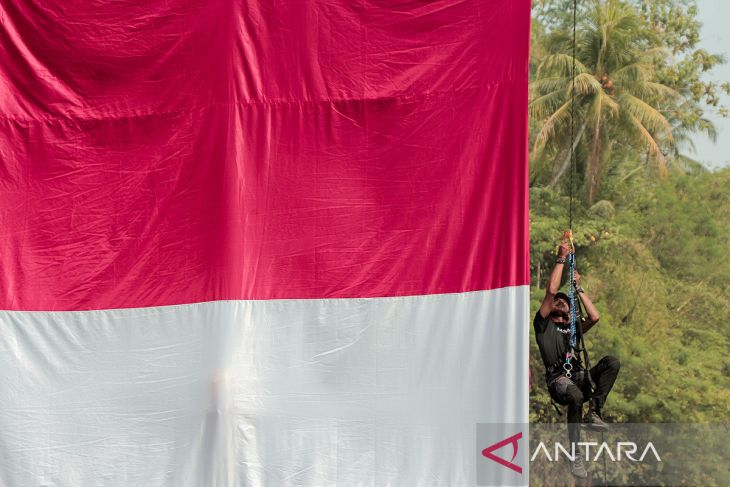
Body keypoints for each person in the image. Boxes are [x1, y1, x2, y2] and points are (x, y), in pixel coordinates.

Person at [534, 235, 620, 479]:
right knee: (573, 394)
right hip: (559, 381)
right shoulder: (543, 325)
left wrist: (578, 288)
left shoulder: (573, 329)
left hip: (580, 378)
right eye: (557, 302)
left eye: (565, 301)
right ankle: (575, 454)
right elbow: (551, 290)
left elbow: (594, 316)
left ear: (570, 311)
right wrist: (562, 258)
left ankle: (593, 411)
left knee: (611, 363)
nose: (560, 301)